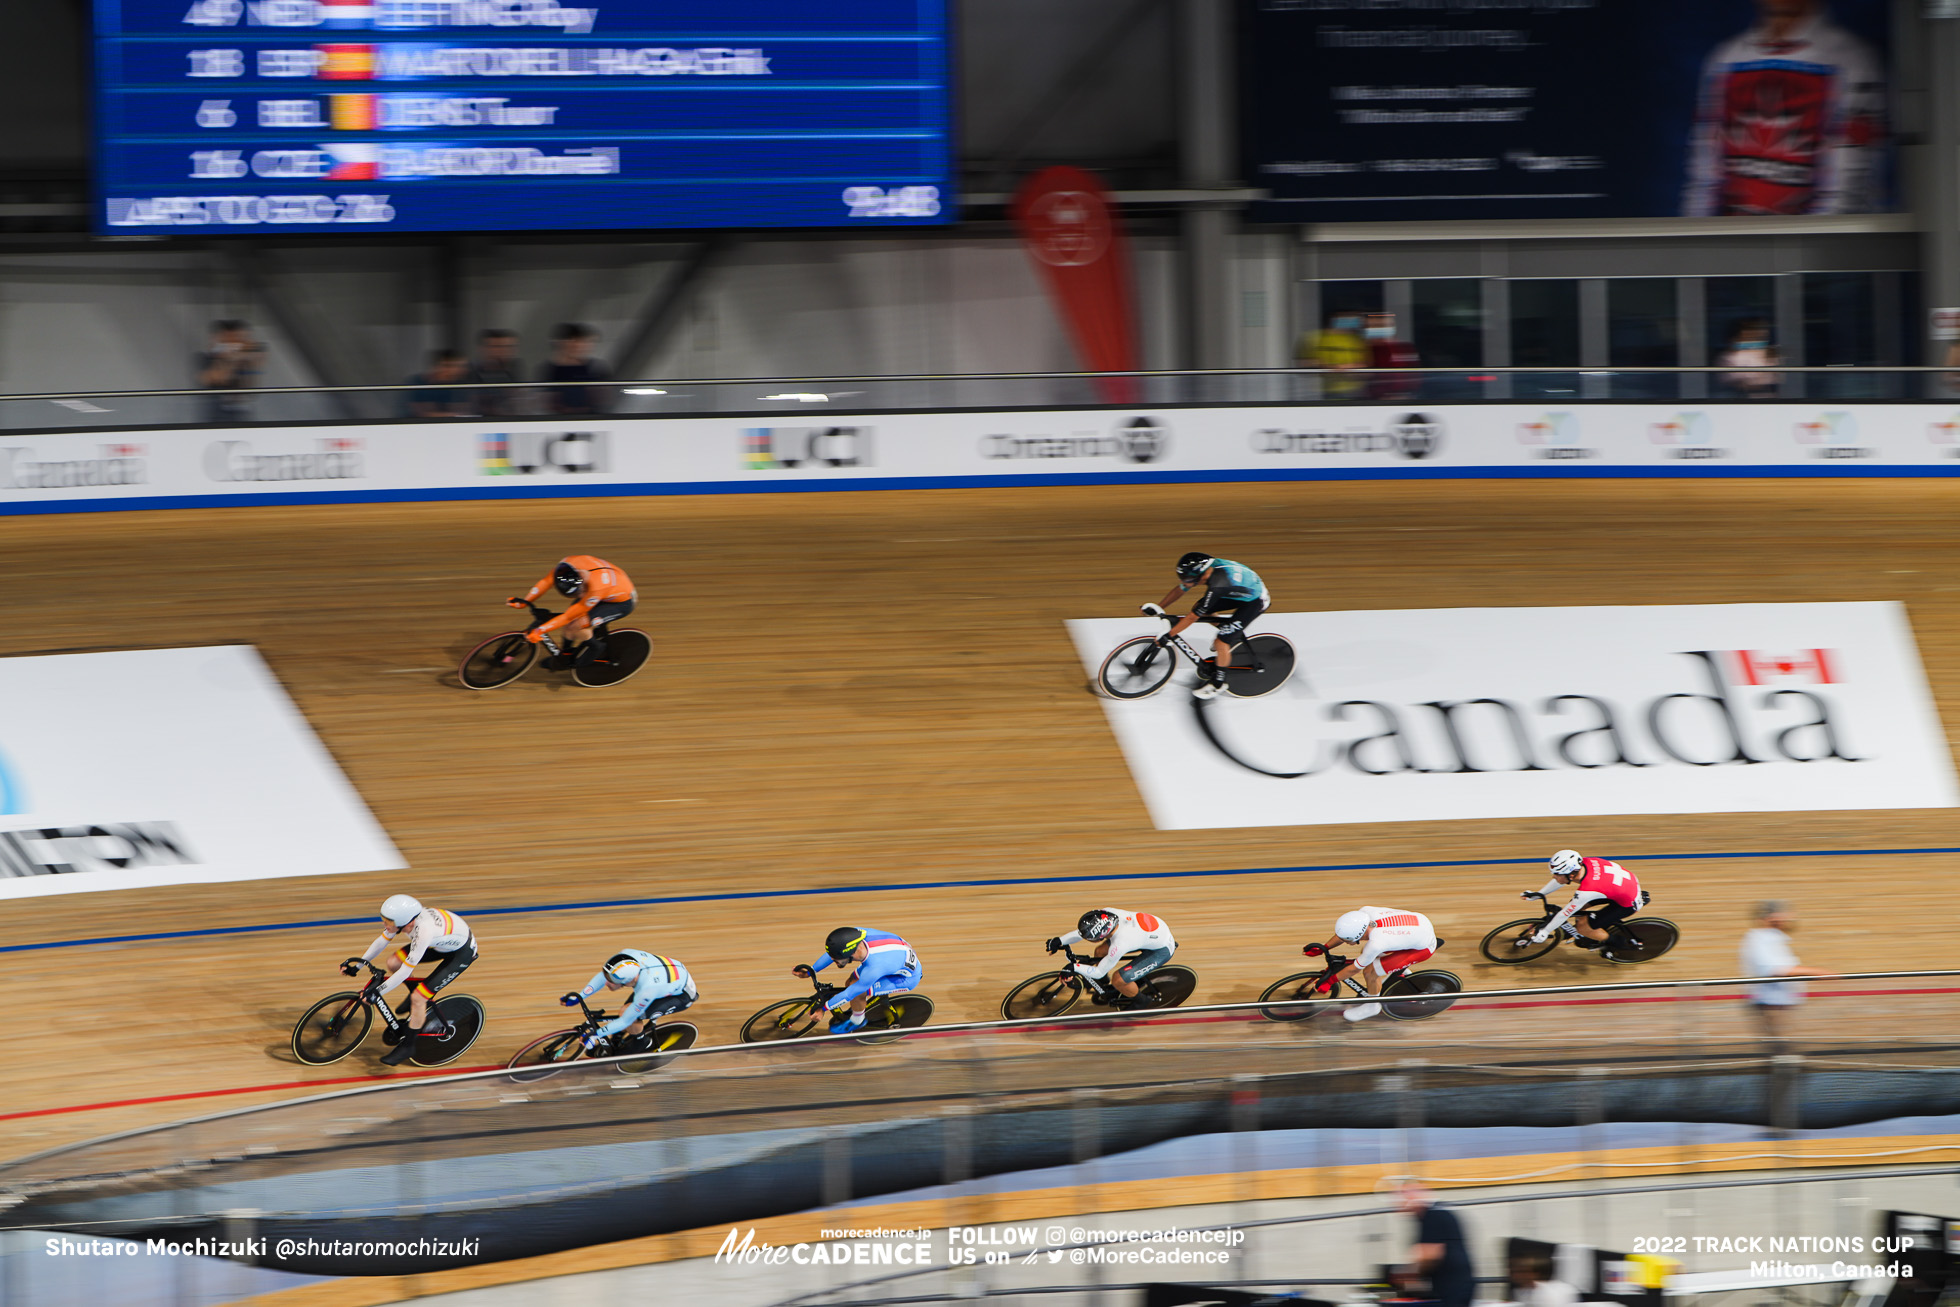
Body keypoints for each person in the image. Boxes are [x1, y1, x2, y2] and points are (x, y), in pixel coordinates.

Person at [1682, 0, 1885, 217]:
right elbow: (1703, 174)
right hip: (1732, 242)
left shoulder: (1851, 59)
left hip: (1817, 242)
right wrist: (1692, 239)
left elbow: (1849, 184)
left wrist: (1812, 244)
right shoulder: (1725, 58)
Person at [342, 894, 477, 1067]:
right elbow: (381, 942)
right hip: (441, 944)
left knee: (418, 998)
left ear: (408, 922)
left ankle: (408, 1046)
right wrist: (357, 967)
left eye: (389, 922)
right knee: (393, 962)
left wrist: (377, 992)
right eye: (384, 920)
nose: (385, 925)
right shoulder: (406, 919)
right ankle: (416, 995)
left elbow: (406, 972)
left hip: (461, 953)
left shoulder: (423, 932)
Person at [1141, 552, 1270, 701]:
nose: (1186, 582)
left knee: (1221, 642)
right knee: (1201, 608)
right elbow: (1180, 589)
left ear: (1202, 574)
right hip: (1238, 591)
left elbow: (1191, 617)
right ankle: (1229, 632)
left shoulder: (1217, 585)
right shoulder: (1208, 569)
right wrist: (1159, 607)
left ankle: (1218, 683)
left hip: (1255, 601)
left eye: (1189, 579)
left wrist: (1169, 635)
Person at [560, 949, 698, 1054]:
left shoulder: (647, 990)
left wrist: (596, 1034)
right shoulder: (626, 955)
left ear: (629, 981)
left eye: (612, 982)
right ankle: (620, 1036)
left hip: (680, 996)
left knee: (629, 1015)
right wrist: (580, 996)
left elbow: (626, 1020)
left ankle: (642, 1042)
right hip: (667, 979)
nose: (607, 983)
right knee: (626, 1011)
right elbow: (604, 976)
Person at [1315, 906, 1438, 1023]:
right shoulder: (1364, 912)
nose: (1345, 942)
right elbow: (1344, 935)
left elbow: (1353, 970)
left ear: (1359, 936)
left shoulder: (1376, 943)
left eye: (1348, 940)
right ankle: (1399, 970)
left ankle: (1372, 1006)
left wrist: (1329, 981)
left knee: (1370, 972)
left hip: (1423, 948)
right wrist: (1325, 947)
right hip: (1418, 927)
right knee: (1366, 954)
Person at [508, 555, 637, 665]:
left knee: (577, 625)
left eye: (579, 593)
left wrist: (540, 630)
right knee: (568, 626)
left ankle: (596, 647)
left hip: (622, 602)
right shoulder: (566, 566)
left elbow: (567, 617)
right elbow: (546, 582)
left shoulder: (596, 588)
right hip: (606, 588)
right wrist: (526, 601)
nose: (579, 596)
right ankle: (564, 657)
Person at [793, 926, 921, 1034]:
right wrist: (811, 971)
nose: (833, 961)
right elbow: (833, 951)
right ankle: (859, 1007)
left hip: (905, 978)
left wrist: (823, 1009)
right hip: (893, 957)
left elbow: (850, 993)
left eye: (836, 959)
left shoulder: (873, 968)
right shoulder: (854, 936)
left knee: (857, 992)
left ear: (848, 954)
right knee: (850, 982)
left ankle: (857, 1021)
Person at [1045, 907, 1177, 1009]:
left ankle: (1141, 1001)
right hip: (1148, 935)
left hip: (1161, 950)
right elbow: (1086, 930)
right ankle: (1103, 985)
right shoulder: (1107, 914)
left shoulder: (1120, 944)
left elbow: (1099, 972)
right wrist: (1060, 940)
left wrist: (1073, 967)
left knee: (1118, 980)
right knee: (1100, 951)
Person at [1740, 901, 1830, 1047]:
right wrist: (1816, 971)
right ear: (1770, 918)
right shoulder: (1760, 939)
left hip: (1780, 1004)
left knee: (1785, 1051)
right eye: (1783, 916)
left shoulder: (1773, 939)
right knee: (1783, 1051)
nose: (1788, 919)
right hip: (1771, 1005)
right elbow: (1776, 970)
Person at [1527, 850, 1642, 949]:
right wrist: (1539, 894)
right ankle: (1583, 929)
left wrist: (1545, 931)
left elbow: (1565, 913)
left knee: (1582, 927)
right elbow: (1561, 880)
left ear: (1571, 875)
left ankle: (1617, 942)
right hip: (1621, 887)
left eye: (1557, 874)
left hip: (1627, 903)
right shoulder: (1584, 863)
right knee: (1577, 908)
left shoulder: (1587, 890)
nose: (1554, 876)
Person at [1399, 1183, 1475, 1307]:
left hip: (1453, 1288)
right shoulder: (1439, 1212)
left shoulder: (1432, 1215)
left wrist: (1409, 1275)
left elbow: (1430, 1254)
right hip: (1459, 1284)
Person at [195, 319, 266, 423]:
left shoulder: (243, 360)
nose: (235, 344)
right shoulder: (204, 358)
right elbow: (214, 378)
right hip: (213, 416)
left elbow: (251, 385)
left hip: (241, 412)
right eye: (230, 340)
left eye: (240, 340)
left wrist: (250, 357)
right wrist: (232, 358)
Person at [538, 322, 613, 416]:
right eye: (575, 342)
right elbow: (546, 400)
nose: (581, 346)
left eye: (585, 342)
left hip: (592, 419)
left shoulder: (597, 368)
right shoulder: (550, 369)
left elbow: (604, 398)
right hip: (560, 420)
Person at [1300, 312, 1368, 399]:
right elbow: (1303, 363)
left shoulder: (1358, 339)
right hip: (1320, 391)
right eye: (1346, 318)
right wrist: (1329, 367)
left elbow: (1366, 365)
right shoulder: (1313, 337)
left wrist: (1350, 367)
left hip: (1355, 390)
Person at [1363, 311, 1421, 401]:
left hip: (1405, 396)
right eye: (1372, 326)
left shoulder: (1405, 347)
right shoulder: (1367, 349)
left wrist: (1406, 394)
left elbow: (1414, 374)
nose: (1376, 329)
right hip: (1375, 400)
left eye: (1380, 326)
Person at [467, 328, 526, 417]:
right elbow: (472, 404)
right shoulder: (471, 372)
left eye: (507, 347)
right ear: (482, 349)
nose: (502, 351)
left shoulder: (513, 369)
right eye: (496, 346)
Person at [1718, 320, 1781, 399]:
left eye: (1756, 335)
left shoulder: (1769, 354)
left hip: (1770, 398)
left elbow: (1776, 378)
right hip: (1739, 399)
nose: (1753, 338)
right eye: (1749, 334)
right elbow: (1732, 381)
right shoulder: (1727, 357)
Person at [400, 348, 470, 419]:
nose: (456, 370)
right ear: (436, 367)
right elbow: (421, 413)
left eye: (460, 366)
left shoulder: (463, 386)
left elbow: (467, 410)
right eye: (449, 366)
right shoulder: (417, 383)